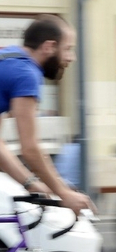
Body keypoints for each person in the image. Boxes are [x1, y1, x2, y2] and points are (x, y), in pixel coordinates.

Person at [0, 14, 95, 216]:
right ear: (49, 47)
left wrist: (31, 183)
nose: (71, 58)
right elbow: (31, 148)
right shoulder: (26, 73)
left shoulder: (9, 58)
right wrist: (63, 193)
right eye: (68, 49)